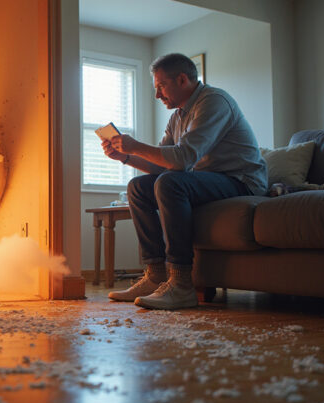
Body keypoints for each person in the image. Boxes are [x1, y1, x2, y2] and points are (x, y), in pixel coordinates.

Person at [102, 53, 267, 310]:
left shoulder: (214, 102)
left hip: (241, 180)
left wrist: (136, 146)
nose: (157, 95)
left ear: (182, 79)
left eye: (160, 86)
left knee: (170, 183)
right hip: (207, 178)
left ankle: (181, 285)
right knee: (137, 187)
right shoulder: (177, 116)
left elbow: (182, 159)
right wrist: (126, 156)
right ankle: (155, 275)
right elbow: (161, 165)